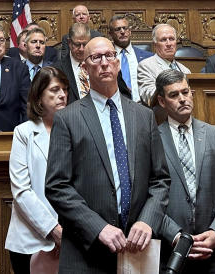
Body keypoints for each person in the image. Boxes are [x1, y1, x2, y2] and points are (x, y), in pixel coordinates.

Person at [44, 37, 170, 274]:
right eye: (95, 57)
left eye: (109, 56)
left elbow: (160, 180)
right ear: (85, 68)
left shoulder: (144, 116)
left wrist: (147, 221)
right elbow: (56, 186)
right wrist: (98, 227)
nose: (104, 63)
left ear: (118, 62)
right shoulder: (67, 119)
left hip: (137, 248)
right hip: (87, 251)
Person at [154, 70, 215, 273]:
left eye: (185, 92)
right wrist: (176, 236)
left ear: (192, 93)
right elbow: (150, 196)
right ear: (162, 101)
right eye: (174, 95)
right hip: (171, 253)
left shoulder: (213, 134)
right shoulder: (152, 138)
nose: (182, 99)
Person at [5, 67, 69, 273]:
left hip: (71, 235)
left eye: (65, 89)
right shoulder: (24, 132)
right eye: (55, 90)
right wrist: (53, 229)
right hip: (30, 236)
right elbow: (21, 191)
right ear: (39, 97)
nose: (62, 95)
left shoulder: (75, 128)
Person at [137, 24, 191, 105]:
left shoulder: (185, 70)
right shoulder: (145, 66)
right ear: (155, 45)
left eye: (171, 39)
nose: (169, 44)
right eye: (163, 40)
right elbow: (149, 97)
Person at [108, 15, 153, 102]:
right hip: (117, 105)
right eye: (118, 29)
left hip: (143, 106)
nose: (122, 32)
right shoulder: (106, 58)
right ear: (110, 34)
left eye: (125, 28)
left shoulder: (148, 57)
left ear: (130, 31)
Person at [56, 23, 92, 103]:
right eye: (77, 44)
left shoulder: (98, 64)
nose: (81, 49)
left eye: (85, 44)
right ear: (69, 43)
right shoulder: (57, 70)